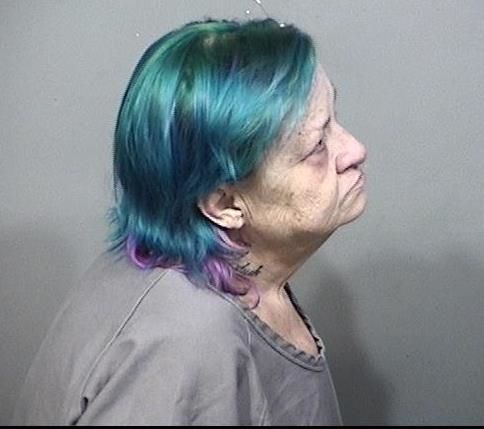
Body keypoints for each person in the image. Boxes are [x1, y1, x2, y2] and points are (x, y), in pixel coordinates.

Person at [11, 17, 367, 425]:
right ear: (225, 203)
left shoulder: (242, 275)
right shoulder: (183, 336)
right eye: (317, 145)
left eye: (334, 119)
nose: (355, 149)